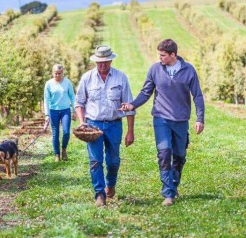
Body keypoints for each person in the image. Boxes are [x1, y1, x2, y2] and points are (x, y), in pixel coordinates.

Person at [119, 39, 205, 206]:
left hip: (180, 120)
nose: (159, 58)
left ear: (173, 54)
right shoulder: (155, 69)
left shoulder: (189, 70)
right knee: (164, 154)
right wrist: (132, 104)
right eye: (158, 55)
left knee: (179, 156)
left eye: (163, 55)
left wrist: (200, 118)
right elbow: (146, 93)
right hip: (161, 118)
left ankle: (173, 185)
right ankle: (168, 194)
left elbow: (198, 96)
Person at [75, 45, 135, 207]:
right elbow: (79, 103)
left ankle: (111, 183)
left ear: (111, 60)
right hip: (93, 124)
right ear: (96, 62)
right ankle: (99, 194)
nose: (103, 65)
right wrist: (82, 123)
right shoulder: (87, 78)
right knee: (95, 160)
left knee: (113, 161)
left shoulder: (120, 78)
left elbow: (129, 106)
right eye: (99, 62)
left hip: (114, 124)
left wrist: (130, 131)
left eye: (106, 62)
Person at [44, 64, 76, 162]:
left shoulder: (67, 83)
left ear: (63, 73)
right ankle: (57, 154)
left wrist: (74, 110)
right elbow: (46, 99)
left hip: (65, 110)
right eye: (56, 73)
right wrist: (47, 114)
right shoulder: (48, 84)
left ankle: (64, 149)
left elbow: (72, 97)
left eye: (60, 73)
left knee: (66, 132)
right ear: (52, 73)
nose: (58, 75)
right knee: (55, 133)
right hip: (53, 111)